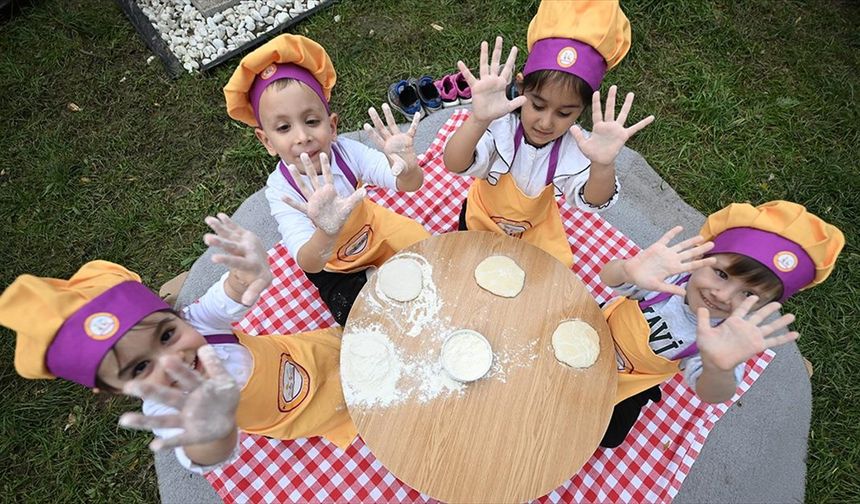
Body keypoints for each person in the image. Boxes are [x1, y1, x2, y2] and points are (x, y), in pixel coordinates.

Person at [0, 214, 357, 473]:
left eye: (167, 334)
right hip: (302, 414)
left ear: (174, 316)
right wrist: (213, 434)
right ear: (113, 388)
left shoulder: (196, 320)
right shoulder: (168, 412)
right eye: (141, 367)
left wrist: (248, 271)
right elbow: (200, 454)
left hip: (316, 352)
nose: (173, 359)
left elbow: (229, 293)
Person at [597, 201, 844, 447]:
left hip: (631, 379)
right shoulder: (666, 278)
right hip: (597, 327)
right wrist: (626, 271)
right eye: (722, 274)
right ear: (702, 257)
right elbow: (609, 277)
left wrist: (719, 369)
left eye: (748, 295)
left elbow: (712, 393)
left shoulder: (724, 340)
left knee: (610, 436)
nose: (723, 296)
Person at [224, 34, 430, 326]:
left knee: (428, 254)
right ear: (266, 141)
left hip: (374, 231)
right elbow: (308, 262)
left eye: (311, 121)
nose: (302, 136)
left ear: (332, 126)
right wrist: (326, 231)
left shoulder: (348, 153)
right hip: (331, 263)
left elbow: (409, 184)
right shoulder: (281, 191)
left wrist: (406, 166)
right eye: (284, 127)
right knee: (357, 316)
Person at [443, 0, 654, 267]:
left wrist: (603, 164)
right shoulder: (500, 127)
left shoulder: (576, 148)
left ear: (581, 111)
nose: (546, 122)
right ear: (521, 88)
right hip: (481, 218)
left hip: (536, 231)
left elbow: (594, 199)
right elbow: (454, 162)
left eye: (564, 113)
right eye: (538, 105)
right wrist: (478, 119)